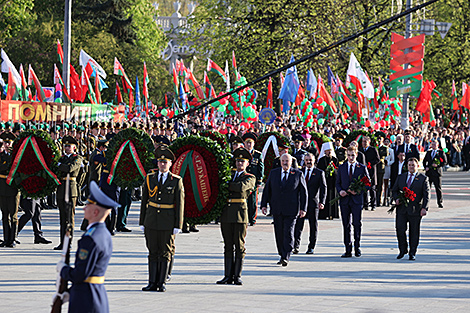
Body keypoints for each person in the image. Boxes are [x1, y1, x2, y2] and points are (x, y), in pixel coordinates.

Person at [57, 181, 119, 313]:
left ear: (95, 211)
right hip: (97, 294)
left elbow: (80, 274)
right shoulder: (104, 233)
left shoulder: (89, 239)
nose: (84, 208)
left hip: (85, 299)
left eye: (87, 205)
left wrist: (63, 270)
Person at [140, 146, 184, 292]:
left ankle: (161, 282)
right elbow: (144, 201)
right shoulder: (149, 178)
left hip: (167, 220)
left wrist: (178, 224)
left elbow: (180, 204)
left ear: (170, 164)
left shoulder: (176, 181)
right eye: (160, 162)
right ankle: (152, 282)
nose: (162, 164)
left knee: (165, 252)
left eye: (165, 162)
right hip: (151, 220)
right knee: (153, 251)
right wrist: (142, 221)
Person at [217, 148, 255, 285]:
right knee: (228, 245)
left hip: (240, 213)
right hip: (226, 213)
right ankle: (227, 275)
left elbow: (241, 187)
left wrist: (227, 185)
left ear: (247, 164)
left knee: (239, 245)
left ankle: (237, 275)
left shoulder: (250, 177)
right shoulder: (229, 174)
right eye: (238, 161)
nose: (239, 164)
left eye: (242, 161)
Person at [261, 153, 308, 266]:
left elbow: (303, 192)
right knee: (279, 233)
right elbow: (267, 190)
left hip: (292, 209)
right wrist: (263, 205)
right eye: (283, 161)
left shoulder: (297, 174)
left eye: (287, 161)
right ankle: (281, 253)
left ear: (291, 162)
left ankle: (286, 255)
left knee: (288, 232)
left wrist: (303, 208)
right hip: (277, 208)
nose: (285, 163)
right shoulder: (274, 173)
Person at [392, 157, 430, 260]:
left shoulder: (423, 178)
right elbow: (394, 190)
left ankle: (412, 251)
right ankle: (402, 249)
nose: (411, 167)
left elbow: (426, 195)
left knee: (414, 231)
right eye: (409, 165)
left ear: (417, 166)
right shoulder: (401, 177)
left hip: (415, 210)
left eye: (413, 165)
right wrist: (396, 199)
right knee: (400, 229)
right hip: (402, 209)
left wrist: (424, 208)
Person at [335, 146, 370, 258]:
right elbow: (338, 183)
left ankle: (357, 246)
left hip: (356, 200)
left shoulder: (361, 167)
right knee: (346, 225)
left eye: (352, 155)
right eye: (349, 155)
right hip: (345, 200)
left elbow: (368, 184)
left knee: (357, 224)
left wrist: (358, 190)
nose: (350, 157)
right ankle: (347, 248)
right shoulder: (342, 167)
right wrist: (340, 191)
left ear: (356, 155)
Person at [293, 153, 326, 254]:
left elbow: (324, 188)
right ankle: (296, 246)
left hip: (313, 202)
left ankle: (311, 246)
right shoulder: (299, 172)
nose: (308, 162)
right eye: (306, 160)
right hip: (301, 203)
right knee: (298, 225)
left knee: (313, 226)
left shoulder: (319, 172)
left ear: (314, 160)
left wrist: (322, 201)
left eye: (310, 160)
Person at [55, 136, 83, 250]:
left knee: (69, 219)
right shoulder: (61, 159)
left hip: (71, 190)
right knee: (62, 219)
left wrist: (58, 166)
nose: (67, 148)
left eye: (69, 146)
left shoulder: (77, 158)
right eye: (65, 146)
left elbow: (70, 169)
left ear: (74, 147)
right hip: (61, 189)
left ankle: (68, 242)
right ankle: (62, 242)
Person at [0, 131, 20, 248]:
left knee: (13, 215)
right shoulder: (1, 155)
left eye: (9, 142)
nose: (7, 144)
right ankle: (6, 239)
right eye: (5, 142)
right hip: (2, 188)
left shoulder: (16, 157)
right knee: (4, 215)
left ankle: (13, 238)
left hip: (13, 188)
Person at [242, 133, 264, 226]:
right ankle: (245, 218)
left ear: (254, 144)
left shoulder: (257, 154)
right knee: (244, 200)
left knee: (253, 200)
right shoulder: (242, 153)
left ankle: (252, 218)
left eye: (251, 143)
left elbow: (260, 168)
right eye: (247, 143)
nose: (249, 145)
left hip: (254, 181)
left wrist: (259, 180)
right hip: (244, 180)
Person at [317, 142, 340, 220]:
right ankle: (324, 214)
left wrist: (333, 171)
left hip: (332, 182)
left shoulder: (335, 160)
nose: (329, 152)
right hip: (324, 181)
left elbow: (338, 170)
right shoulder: (321, 160)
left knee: (332, 196)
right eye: (327, 150)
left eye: (330, 150)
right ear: (324, 151)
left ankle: (333, 214)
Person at [422, 140, 447, 208]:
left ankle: (440, 202)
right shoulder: (429, 152)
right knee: (427, 188)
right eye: (432, 144)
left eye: (435, 144)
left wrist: (438, 165)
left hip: (437, 173)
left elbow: (445, 162)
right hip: (429, 173)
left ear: (437, 145)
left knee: (438, 188)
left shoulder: (441, 152)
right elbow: (424, 161)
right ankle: (425, 203)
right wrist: (426, 167)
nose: (433, 146)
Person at [359, 136, 380, 211]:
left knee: (372, 188)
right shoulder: (360, 150)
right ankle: (365, 204)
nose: (364, 143)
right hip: (363, 171)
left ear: (369, 142)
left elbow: (378, 159)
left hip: (371, 171)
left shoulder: (373, 149)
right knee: (364, 188)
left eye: (365, 142)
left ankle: (373, 204)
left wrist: (370, 163)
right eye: (363, 142)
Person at [382, 137, 395, 206]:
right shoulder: (380, 149)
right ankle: (380, 198)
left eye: (387, 141)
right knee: (380, 184)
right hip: (381, 168)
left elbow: (393, 160)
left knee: (386, 184)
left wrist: (388, 163)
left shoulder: (391, 150)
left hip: (387, 168)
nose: (386, 143)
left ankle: (386, 198)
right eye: (385, 141)